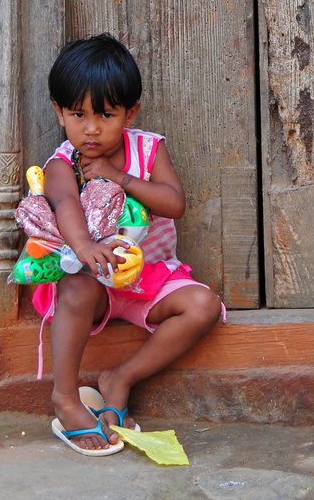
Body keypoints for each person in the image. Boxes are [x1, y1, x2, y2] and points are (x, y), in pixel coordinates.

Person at [36, 33, 223, 455]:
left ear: (130, 112)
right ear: (58, 112)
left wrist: (118, 176)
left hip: (150, 281)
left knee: (204, 305)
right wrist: (84, 248)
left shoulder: (148, 148)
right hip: (96, 286)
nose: (91, 128)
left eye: (105, 114)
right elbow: (64, 204)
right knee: (75, 285)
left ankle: (118, 379)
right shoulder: (62, 163)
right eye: (77, 114)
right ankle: (66, 399)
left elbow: (174, 203)